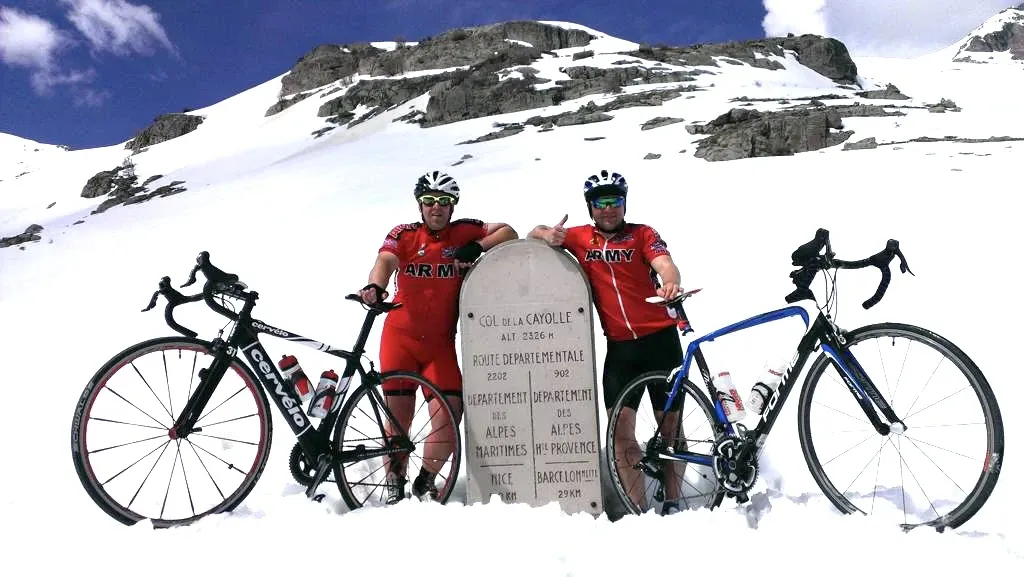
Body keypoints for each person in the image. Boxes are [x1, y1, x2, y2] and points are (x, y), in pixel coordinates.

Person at [528, 169, 686, 514]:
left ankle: (674, 501)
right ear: (590, 207)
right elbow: (533, 232)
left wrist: (670, 282)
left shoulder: (642, 234)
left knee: (671, 429)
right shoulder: (581, 237)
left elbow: (665, 264)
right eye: (601, 203)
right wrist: (547, 234)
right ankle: (637, 509)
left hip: (660, 340)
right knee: (620, 433)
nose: (608, 210)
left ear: (624, 204)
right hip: (621, 349)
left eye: (614, 202)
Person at [359, 170, 518, 504]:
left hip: (439, 347)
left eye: (444, 202)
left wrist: (477, 246)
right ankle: (394, 484)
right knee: (398, 423)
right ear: (420, 205)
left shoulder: (463, 232)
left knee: (451, 415)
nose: (436, 208)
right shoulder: (404, 235)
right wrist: (376, 285)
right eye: (429, 201)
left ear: (452, 206)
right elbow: (385, 260)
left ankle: (425, 479)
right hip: (399, 340)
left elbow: (509, 231)